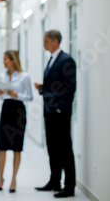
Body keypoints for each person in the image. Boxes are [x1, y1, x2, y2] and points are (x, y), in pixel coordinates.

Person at [34, 30, 76, 198]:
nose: (43, 44)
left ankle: (69, 186)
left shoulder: (66, 60)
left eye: (45, 41)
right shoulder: (51, 59)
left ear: (55, 42)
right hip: (49, 111)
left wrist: (59, 108)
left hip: (60, 113)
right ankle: (54, 181)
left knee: (65, 149)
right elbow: (54, 86)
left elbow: (69, 88)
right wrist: (42, 89)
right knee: (52, 147)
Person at [0, 50, 33, 193]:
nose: (4, 62)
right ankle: (0, 178)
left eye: (5, 59)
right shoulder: (2, 75)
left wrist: (17, 95)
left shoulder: (24, 77)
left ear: (13, 60)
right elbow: (0, 96)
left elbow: (29, 97)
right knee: (2, 147)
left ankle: (13, 180)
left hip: (18, 112)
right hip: (6, 110)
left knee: (17, 147)